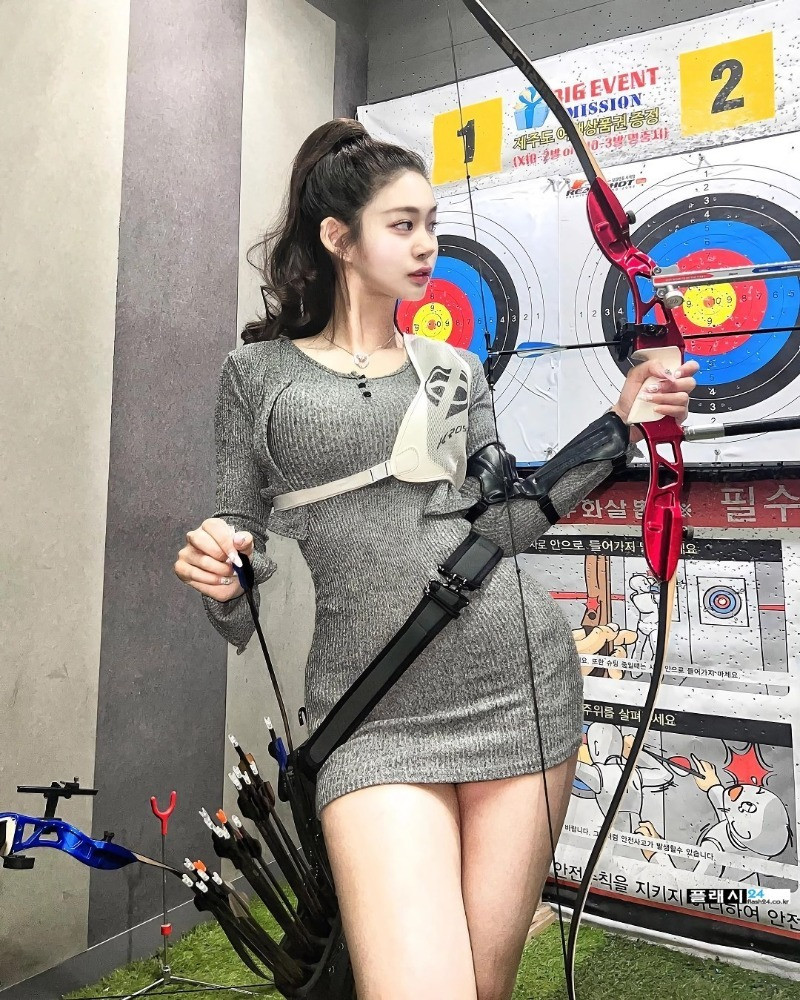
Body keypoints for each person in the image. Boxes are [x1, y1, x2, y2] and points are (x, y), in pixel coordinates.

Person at [173, 118, 698, 1000]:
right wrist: (224, 571)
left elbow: (503, 525)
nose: (428, 244)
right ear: (339, 238)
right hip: (370, 710)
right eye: (403, 224)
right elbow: (238, 532)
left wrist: (622, 424)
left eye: (433, 223)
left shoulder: (456, 368)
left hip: (516, 683)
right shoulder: (255, 374)